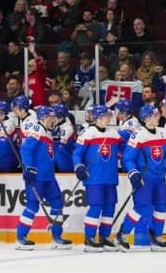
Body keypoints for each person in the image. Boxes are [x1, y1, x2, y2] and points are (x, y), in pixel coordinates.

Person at [115, 105, 166, 252]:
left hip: (160, 177)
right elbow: (128, 158)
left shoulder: (163, 132)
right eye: (154, 115)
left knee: (161, 206)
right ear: (146, 118)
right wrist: (133, 172)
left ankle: (157, 236)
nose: (157, 117)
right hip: (144, 178)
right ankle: (122, 233)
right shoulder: (138, 135)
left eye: (156, 114)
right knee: (142, 207)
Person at [16, 106, 72, 250]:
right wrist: (28, 167)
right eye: (50, 117)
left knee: (57, 204)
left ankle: (56, 237)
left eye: (54, 117)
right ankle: (21, 237)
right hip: (37, 176)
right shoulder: (37, 130)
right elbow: (26, 148)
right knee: (32, 206)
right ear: (42, 118)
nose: (53, 120)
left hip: (49, 177)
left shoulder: (47, 132)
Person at [72, 105, 124, 252]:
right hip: (94, 178)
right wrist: (79, 167)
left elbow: (124, 148)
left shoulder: (114, 133)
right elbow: (77, 153)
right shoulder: (87, 133)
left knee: (110, 208)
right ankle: (89, 238)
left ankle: (105, 237)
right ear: (99, 117)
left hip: (111, 178)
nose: (109, 117)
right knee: (95, 207)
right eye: (106, 115)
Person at [0, 100, 20, 172]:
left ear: (1, 112)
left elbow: (1, 145)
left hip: (8, 158)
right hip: (2, 157)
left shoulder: (8, 124)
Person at [52, 104, 75, 172]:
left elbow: (61, 145)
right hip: (57, 158)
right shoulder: (56, 125)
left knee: (59, 150)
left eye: (54, 116)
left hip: (66, 158)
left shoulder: (67, 128)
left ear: (60, 117)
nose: (52, 117)